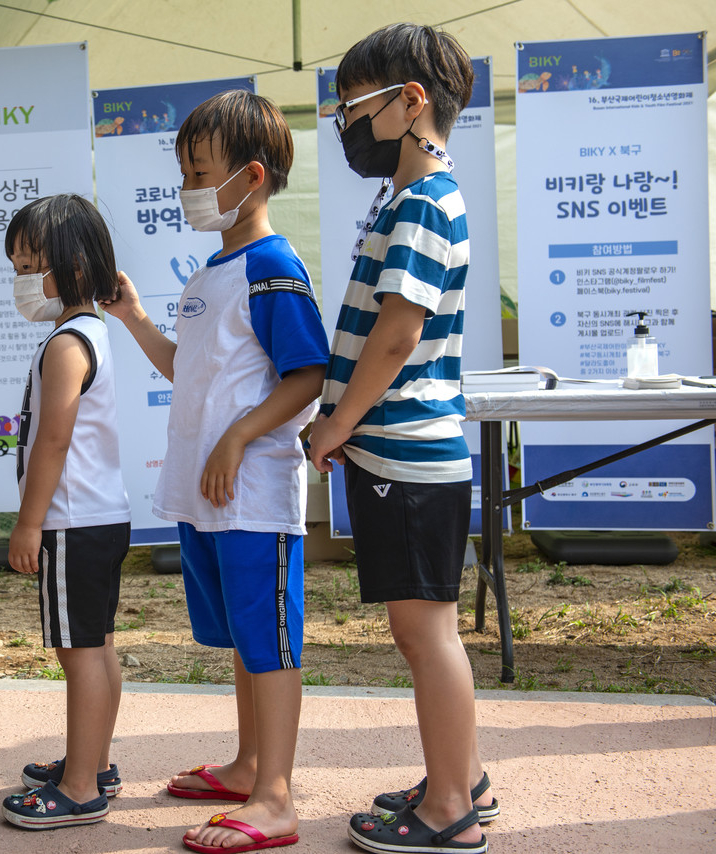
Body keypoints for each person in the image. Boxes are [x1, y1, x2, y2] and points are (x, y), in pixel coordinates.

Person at [101, 90, 328, 853]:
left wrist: (236, 439)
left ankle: (276, 798)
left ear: (252, 176)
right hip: (210, 501)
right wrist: (135, 318)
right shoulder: (213, 272)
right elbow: (187, 366)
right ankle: (247, 766)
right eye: (185, 173)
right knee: (243, 638)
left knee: (270, 642)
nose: (188, 189)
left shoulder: (272, 266)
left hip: (255, 496)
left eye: (200, 173)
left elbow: (306, 375)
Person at [305, 24, 494, 854]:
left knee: (427, 632)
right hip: (405, 448)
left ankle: (450, 807)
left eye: (355, 106)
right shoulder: (411, 196)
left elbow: (397, 333)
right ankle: (463, 777)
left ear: (412, 102)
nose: (347, 123)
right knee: (425, 628)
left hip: (404, 451)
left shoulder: (422, 201)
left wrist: (337, 423)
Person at [0, 195, 131, 831]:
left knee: (79, 654)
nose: (21, 280)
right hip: (102, 516)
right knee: (97, 647)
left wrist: (29, 524)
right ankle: (93, 763)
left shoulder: (65, 344)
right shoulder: (93, 330)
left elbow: (52, 440)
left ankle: (79, 788)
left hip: (71, 523)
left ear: (71, 266)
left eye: (29, 265)